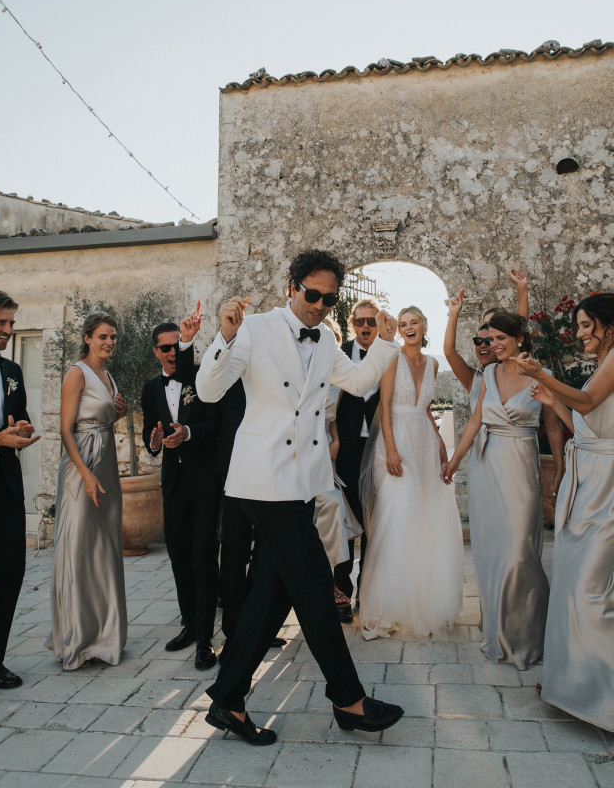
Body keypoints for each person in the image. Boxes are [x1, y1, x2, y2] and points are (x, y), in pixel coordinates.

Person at [195, 249, 404, 746]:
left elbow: (354, 381)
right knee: (314, 587)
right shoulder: (256, 327)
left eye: (330, 299)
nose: (320, 305)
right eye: (313, 295)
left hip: (304, 483)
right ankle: (349, 699)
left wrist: (386, 343)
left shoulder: (329, 337)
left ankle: (227, 699)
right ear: (292, 286)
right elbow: (208, 391)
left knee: (272, 594)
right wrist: (224, 336)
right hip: (265, 481)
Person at [442, 311, 564, 669]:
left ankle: (531, 636)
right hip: (488, 466)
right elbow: (477, 419)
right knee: (493, 552)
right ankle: (499, 635)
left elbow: (553, 427)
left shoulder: (541, 374)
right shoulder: (489, 374)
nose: (493, 345)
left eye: (500, 338)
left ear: (520, 339)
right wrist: (454, 460)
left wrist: (558, 468)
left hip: (522, 464)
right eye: (489, 339)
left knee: (520, 552)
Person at [515, 292, 614, 731]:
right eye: (578, 325)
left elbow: (589, 404)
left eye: (587, 325)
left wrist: (541, 373)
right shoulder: (602, 363)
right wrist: (554, 403)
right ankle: (572, 681)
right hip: (588, 476)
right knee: (574, 582)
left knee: (591, 589)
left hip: (606, 486)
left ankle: (599, 694)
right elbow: (587, 427)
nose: (580, 333)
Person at [359, 307, 463, 639]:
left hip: (423, 443)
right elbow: (385, 406)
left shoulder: (432, 363)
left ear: (423, 325)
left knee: (423, 521)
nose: (408, 328)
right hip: (397, 443)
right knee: (396, 521)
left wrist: (440, 443)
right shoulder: (392, 358)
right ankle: (380, 611)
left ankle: (420, 604)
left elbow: (427, 409)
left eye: (413, 322)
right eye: (403, 324)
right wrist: (390, 449)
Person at [141, 307, 221, 670]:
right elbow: (148, 437)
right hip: (172, 485)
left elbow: (215, 427)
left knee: (203, 558)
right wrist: (156, 441)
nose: (173, 353)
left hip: (205, 484)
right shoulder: (149, 389)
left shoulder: (202, 378)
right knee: (178, 559)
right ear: (155, 351)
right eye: (165, 348)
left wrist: (187, 432)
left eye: (177, 346)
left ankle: (205, 639)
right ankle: (190, 624)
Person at [47, 312, 128, 670]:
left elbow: (102, 419)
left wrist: (118, 414)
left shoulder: (108, 375)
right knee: (79, 547)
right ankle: (76, 638)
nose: (109, 342)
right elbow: (66, 430)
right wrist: (85, 475)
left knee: (105, 547)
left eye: (112, 337)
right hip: (81, 467)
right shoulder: (76, 373)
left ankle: (104, 636)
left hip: (106, 463)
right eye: (102, 337)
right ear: (87, 338)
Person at [0, 290, 40, 702]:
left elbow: (20, 415)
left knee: (12, 571)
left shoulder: (13, 369)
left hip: (8, 487)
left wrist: (22, 431)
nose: (8, 330)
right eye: (1, 323)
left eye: (12, 323)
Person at [333, 298, 381, 620]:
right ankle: (342, 597)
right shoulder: (338, 355)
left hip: (377, 453)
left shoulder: (388, 356)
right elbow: (330, 404)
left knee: (375, 527)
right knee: (346, 527)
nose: (366, 327)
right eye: (361, 321)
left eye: (371, 321)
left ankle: (369, 592)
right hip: (346, 453)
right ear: (352, 324)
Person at [313, 316, 362, 576]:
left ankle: (335, 580)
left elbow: (332, 417)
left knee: (334, 507)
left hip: (327, 445)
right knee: (322, 509)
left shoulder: (339, 379)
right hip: (303, 444)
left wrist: (337, 439)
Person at [444, 269, 530, 408]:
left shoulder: (520, 375)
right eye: (478, 341)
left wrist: (521, 287)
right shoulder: (474, 379)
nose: (484, 344)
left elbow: (520, 328)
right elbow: (449, 352)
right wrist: (453, 314)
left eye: (491, 339)